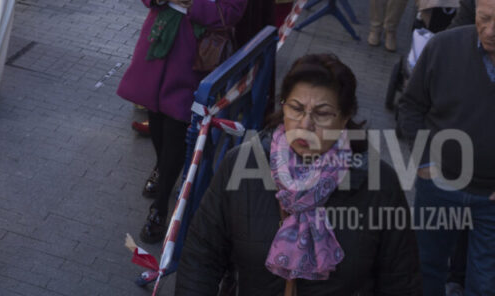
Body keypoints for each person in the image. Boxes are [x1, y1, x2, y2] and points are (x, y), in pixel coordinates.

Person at [177, 54, 422, 295]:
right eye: (296, 108)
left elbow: (401, 281)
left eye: (322, 113)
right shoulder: (242, 163)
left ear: (345, 117)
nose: (306, 125)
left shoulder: (378, 185)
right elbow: (201, 255)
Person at [117, 0, 252, 244]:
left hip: (193, 51)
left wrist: (192, 3)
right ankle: (163, 169)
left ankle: (161, 206)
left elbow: (233, 12)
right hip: (158, 40)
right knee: (157, 122)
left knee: (177, 123)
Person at [398, 0, 495, 296]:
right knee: (427, 268)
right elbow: (411, 106)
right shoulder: (444, 47)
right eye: (485, 17)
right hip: (438, 185)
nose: (491, 30)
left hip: (490, 198)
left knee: (484, 283)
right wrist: (424, 160)